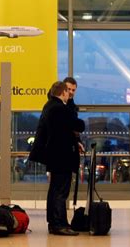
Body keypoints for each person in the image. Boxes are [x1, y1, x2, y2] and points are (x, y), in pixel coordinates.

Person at [44, 81, 85, 236]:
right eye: (68, 91)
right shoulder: (60, 108)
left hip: (55, 155)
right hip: (62, 155)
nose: (70, 94)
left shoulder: (49, 106)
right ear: (62, 93)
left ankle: (55, 222)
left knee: (55, 190)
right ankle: (59, 223)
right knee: (61, 191)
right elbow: (78, 125)